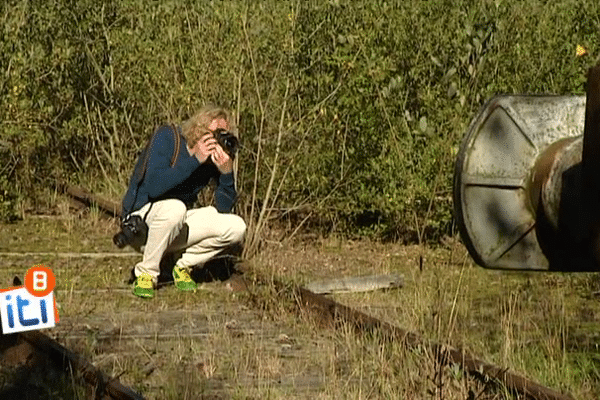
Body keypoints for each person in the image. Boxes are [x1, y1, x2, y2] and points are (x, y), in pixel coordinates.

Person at [120, 104, 247, 298]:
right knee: (175, 208)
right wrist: (195, 159)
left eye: (224, 134)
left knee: (236, 227)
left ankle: (182, 266)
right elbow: (154, 187)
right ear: (199, 128)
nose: (218, 140)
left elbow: (224, 208)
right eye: (216, 133)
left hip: (174, 225)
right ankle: (147, 274)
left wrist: (226, 173)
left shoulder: (209, 161)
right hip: (141, 223)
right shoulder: (167, 137)